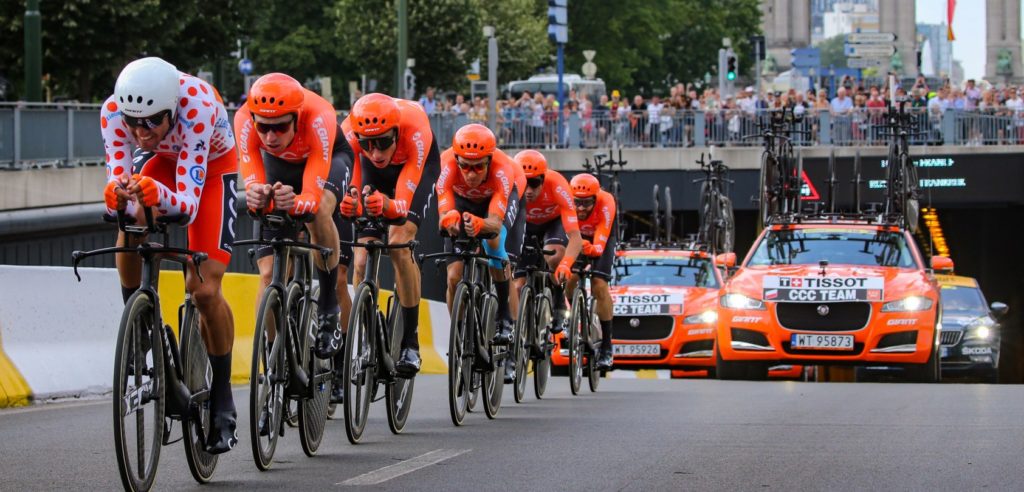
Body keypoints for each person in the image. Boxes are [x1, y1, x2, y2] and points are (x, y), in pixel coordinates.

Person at [101, 57, 239, 454]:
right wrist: (118, 197)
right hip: (163, 165)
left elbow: (187, 207)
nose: (140, 132)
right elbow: (118, 179)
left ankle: (223, 397)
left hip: (211, 171)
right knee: (129, 221)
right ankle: (140, 323)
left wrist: (154, 194)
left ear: (172, 110)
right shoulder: (112, 112)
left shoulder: (197, 105)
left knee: (204, 290)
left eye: (152, 122)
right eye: (133, 122)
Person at [234, 73, 355, 404]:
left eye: (280, 127)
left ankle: (329, 307)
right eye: (264, 128)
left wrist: (301, 200)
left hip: (327, 162)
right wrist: (259, 194)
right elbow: (254, 177)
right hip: (280, 169)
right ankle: (274, 357)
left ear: (296, 119)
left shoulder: (319, 116)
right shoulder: (244, 119)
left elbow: (312, 194)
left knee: (318, 213)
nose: (271, 136)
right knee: (269, 273)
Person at [340, 93, 439, 375]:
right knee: (360, 260)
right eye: (367, 144)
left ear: (395, 132)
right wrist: (353, 202)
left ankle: (411, 342)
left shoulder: (415, 127)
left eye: (383, 142)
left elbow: (401, 206)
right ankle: (369, 338)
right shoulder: (349, 135)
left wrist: (387, 204)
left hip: (415, 168)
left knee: (399, 243)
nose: (376, 152)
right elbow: (353, 183)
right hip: (373, 175)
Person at [435, 124, 526, 383]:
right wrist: (449, 219)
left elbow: (495, 223)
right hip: (461, 200)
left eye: (478, 167)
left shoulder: (502, 170)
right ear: (456, 161)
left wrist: (480, 225)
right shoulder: (445, 168)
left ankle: (505, 319)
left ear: (489, 161)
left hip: (497, 202)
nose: (471, 173)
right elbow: (442, 214)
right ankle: (461, 332)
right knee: (454, 275)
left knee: (494, 244)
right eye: (465, 166)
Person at [510, 150, 581, 334]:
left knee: (555, 255)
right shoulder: (510, 185)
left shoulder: (558, 185)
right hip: (524, 224)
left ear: (543, 179)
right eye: (525, 184)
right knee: (518, 285)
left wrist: (566, 264)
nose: (529, 191)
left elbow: (575, 236)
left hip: (553, 223)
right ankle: (519, 334)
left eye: (534, 184)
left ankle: (558, 296)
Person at [567, 173, 616, 369]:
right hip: (578, 237)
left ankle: (606, 345)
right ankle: (575, 311)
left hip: (600, 236)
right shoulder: (567, 203)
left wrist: (593, 248)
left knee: (599, 284)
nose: (580, 208)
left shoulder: (606, 201)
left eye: (586, 203)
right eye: (577, 203)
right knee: (570, 277)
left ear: (596, 198)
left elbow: (601, 240)